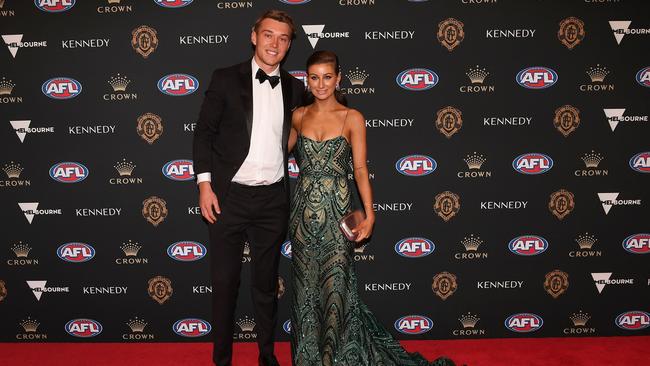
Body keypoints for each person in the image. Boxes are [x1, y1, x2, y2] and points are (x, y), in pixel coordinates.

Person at [287, 50, 455, 366]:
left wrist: (370, 213)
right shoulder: (297, 116)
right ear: (306, 81)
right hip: (302, 218)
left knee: (337, 289)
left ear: (338, 79)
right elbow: (273, 155)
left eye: (327, 77)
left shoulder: (352, 118)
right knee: (305, 292)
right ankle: (306, 358)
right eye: (314, 77)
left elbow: (361, 170)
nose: (321, 84)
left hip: (338, 215)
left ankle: (334, 359)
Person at [192, 10, 305, 366]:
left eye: (283, 38)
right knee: (225, 285)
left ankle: (267, 356)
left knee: (266, 286)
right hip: (229, 197)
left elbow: (303, 137)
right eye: (269, 35)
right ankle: (221, 359)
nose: (275, 44)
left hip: (273, 199)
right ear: (254, 36)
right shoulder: (226, 78)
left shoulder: (294, 87)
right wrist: (204, 186)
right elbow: (203, 134)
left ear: (289, 46)